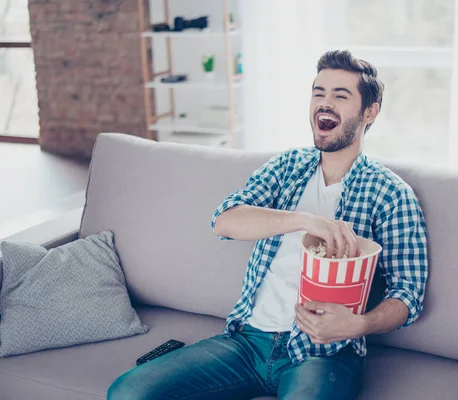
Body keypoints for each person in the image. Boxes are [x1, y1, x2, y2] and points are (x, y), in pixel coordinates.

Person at [107, 50, 428, 400]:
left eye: (340, 95)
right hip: (246, 342)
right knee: (129, 392)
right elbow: (225, 221)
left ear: (370, 112)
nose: (325, 103)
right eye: (318, 92)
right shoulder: (287, 166)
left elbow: (408, 293)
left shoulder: (391, 193)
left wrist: (359, 325)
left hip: (323, 353)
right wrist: (306, 220)